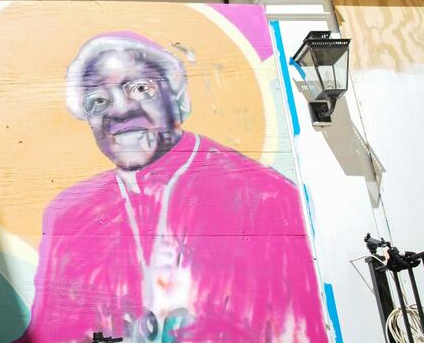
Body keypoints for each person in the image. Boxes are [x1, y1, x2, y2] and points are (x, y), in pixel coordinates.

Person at [16, 32, 326, 343]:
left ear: (178, 99)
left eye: (140, 88)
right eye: (98, 101)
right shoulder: (69, 214)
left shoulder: (266, 198)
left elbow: (299, 331)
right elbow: (51, 332)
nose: (120, 111)